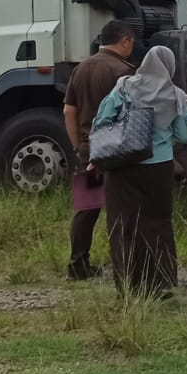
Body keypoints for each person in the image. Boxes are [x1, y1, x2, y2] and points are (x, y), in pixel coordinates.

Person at [93, 45, 187, 299]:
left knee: (123, 224)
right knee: (157, 223)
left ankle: (127, 286)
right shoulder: (175, 95)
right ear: (170, 66)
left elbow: (101, 121)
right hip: (158, 169)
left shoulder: (124, 86)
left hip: (122, 167)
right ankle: (159, 285)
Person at [60, 19, 136, 280]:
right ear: (124, 40)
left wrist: (78, 146)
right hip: (118, 152)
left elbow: (69, 111)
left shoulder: (80, 69)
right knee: (122, 208)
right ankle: (125, 267)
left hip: (88, 149)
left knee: (87, 209)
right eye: (131, 43)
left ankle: (77, 265)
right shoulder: (124, 71)